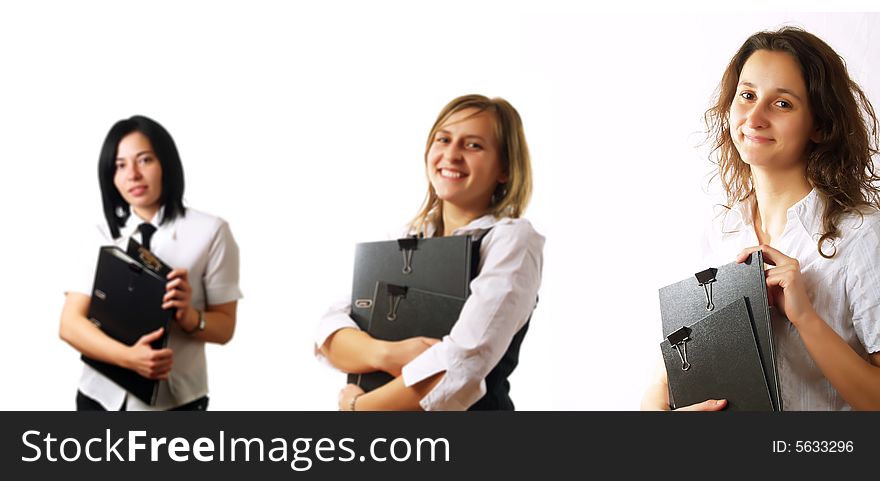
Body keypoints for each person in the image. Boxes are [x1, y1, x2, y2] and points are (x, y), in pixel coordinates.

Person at [642, 27, 880, 411]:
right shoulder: (719, 233)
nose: (754, 116)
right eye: (747, 96)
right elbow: (663, 377)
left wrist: (805, 318)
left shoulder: (862, 234)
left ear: (819, 125)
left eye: (782, 104)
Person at [315, 94, 544, 411]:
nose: (452, 155)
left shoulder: (512, 240)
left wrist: (359, 408)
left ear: (504, 167)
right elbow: (331, 332)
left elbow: (464, 361)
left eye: (473, 145)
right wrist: (387, 354)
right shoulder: (407, 236)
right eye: (444, 139)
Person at [59, 115, 242, 411]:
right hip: (99, 398)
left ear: (166, 163)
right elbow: (70, 324)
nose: (132, 174)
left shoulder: (210, 232)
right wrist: (127, 358)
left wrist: (188, 316)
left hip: (176, 401)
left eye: (144, 160)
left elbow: (225, 328)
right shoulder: (99, 233)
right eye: (120, 165)